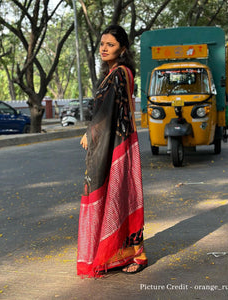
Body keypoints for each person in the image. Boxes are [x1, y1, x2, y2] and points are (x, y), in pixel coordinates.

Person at [77, 25, 148, 277]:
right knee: (115, 195)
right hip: (113, 140)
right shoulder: (112, 74)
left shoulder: (120, 73)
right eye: (102, 44)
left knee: (122, 194)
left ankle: (137, 254)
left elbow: (109, 111)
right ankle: (117, 252)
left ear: (123, 49)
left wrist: (91, 132)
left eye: (111, 45)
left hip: (117, 142)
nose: (104, 49)